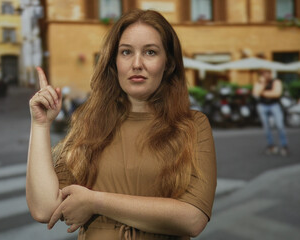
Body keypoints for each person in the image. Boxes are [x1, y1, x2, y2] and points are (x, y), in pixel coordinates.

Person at [26, 9, 217, 239]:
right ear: (114, 63)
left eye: (150, 52)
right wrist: (40, 125)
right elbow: (44, 208)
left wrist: (95, 202)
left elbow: (193, 218)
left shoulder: (194, 125)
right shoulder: (89, 124)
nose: (137, 64)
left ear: (168, 64)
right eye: (126, 52)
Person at [253, 69, 289, 156]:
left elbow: (277, 94)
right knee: (266, 127)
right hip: (262, 106)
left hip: (274, 105)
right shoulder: (260, 82)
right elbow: (256, 94)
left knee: (280, 125)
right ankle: (271, 146)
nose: (266, 75)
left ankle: (284, 146)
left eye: (267, 73)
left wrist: (263, 93)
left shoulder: (276, 81)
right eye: (264, 73)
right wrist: (263, 84)